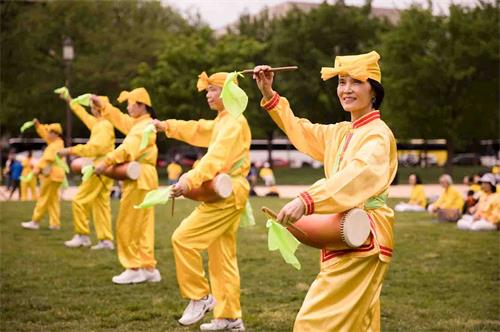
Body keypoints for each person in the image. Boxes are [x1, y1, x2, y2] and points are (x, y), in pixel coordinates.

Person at [253, 50, 397, 331]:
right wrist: (269, 94)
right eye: (342, 82)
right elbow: (301, 131)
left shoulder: (378, 135)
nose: (346, 89)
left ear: (374, 91)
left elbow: (356, 175)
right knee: (359, 325)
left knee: (313, 324)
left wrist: (308, 200)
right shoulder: (343, 132)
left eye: (356, 82)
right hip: (347, 233)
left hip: (363, 236)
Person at [152, 71, 250, 331]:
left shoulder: (233, 123)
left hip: (227, 192)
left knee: (183, 239)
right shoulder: (223, 120)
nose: (208, 94)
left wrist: (188, 180)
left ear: (228, 93)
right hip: (227, 190)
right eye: (208, 90)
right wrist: (168, 126)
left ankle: (200, 296)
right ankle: (229, 316)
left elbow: (215, 158)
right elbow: (196, 128)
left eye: (213, 90)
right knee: (222, 258)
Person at [93, 87, 160, 284]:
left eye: (132, 105)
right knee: (143, 226)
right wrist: (103, 104)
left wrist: (105, 162)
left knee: (127, 224)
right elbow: (120, 119)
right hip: (147, 177)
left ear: (142, 106)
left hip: (139, 178)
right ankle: (148, 267)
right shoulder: (140, 123)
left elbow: (126, 148)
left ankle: (133, 267)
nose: (129, 108)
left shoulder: (142, 127)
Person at [58, 92, 115, 250]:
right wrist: (70, 100)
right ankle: (105, 241)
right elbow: (81, 114)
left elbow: (95, 148)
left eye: (92, 106)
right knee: (101, 205)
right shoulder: (100, 124)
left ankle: (82, 236)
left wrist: (69, 151)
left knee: (79, 200)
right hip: (104, 169)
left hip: (98, 169)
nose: (90, 109)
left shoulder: (103, 126)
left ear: (98, 109)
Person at [21, 120, 65, 230]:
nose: (48, 134)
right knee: (53, 200)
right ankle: (55, 224)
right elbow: (45, 135)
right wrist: (38, 126)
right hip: (57, 176)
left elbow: (47, 160)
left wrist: (37, 169)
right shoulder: (57, 142)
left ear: (55, 134)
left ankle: (35, 221)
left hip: (51, 175)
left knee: (43, 198)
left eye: (50, 132)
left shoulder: (54, 146)